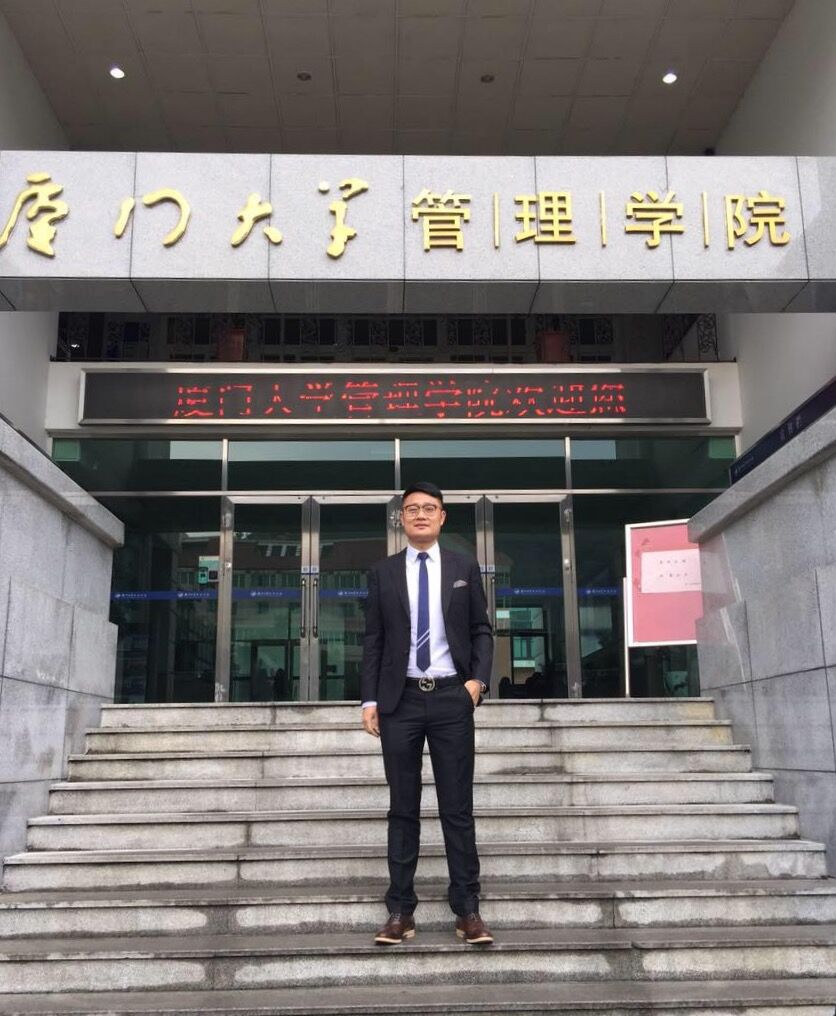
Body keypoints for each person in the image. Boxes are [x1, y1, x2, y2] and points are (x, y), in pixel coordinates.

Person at [360, 481, 494, 947]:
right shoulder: (383, 572)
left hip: (452, 698)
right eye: (412, 508)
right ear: (401, 518)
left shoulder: (463, 567)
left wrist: (477, 683)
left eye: (429, 508)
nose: (420, 514)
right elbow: (374, 639)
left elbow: (481, 629)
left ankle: (468, 910)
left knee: (457, 808)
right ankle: (400, 911)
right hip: (400, 701)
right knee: (403, 808)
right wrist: (370, 700)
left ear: (442, 517)